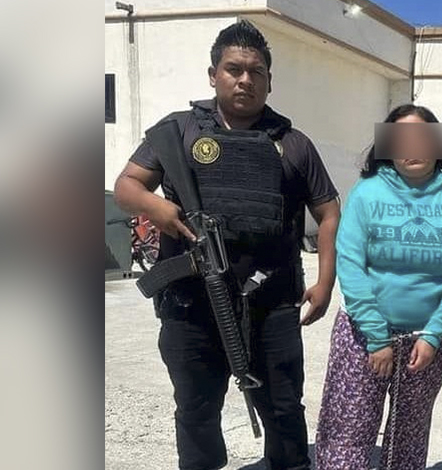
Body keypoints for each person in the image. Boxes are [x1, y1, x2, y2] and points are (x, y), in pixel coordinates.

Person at [113, 20, 340, 470]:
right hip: (191, 303)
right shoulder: (179, 131)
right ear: (213, 74)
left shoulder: (293, 144)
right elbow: (126, 186)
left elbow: (328, 211)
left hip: (272, 302)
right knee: (196, 409)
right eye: (234, 69)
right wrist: (157, 209)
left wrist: (325, 280)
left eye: (256, 72)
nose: (245, 79)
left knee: (282, 407)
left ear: (269, 81)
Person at [315, 104, 442, 470]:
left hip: (428, 342)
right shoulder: (366, 194)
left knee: (408, 438)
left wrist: (433, 335)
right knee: (347, 435)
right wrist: (377, 337)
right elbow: (351, 266)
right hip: (361, 336)